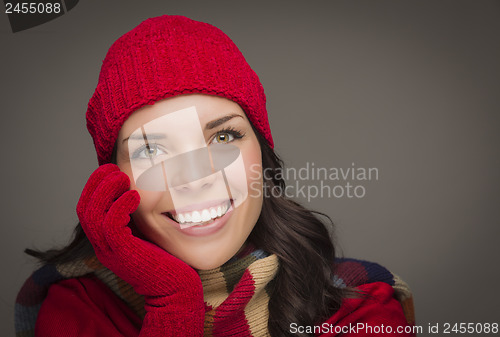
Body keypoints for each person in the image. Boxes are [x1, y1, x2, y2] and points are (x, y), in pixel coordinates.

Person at [15, 15, 415, 337]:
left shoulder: (359, 305)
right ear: (113, 180)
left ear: (262, 153)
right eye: (151, 151)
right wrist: (173, 303)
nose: (194, 177)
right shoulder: (77, 309)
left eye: (223, 136)